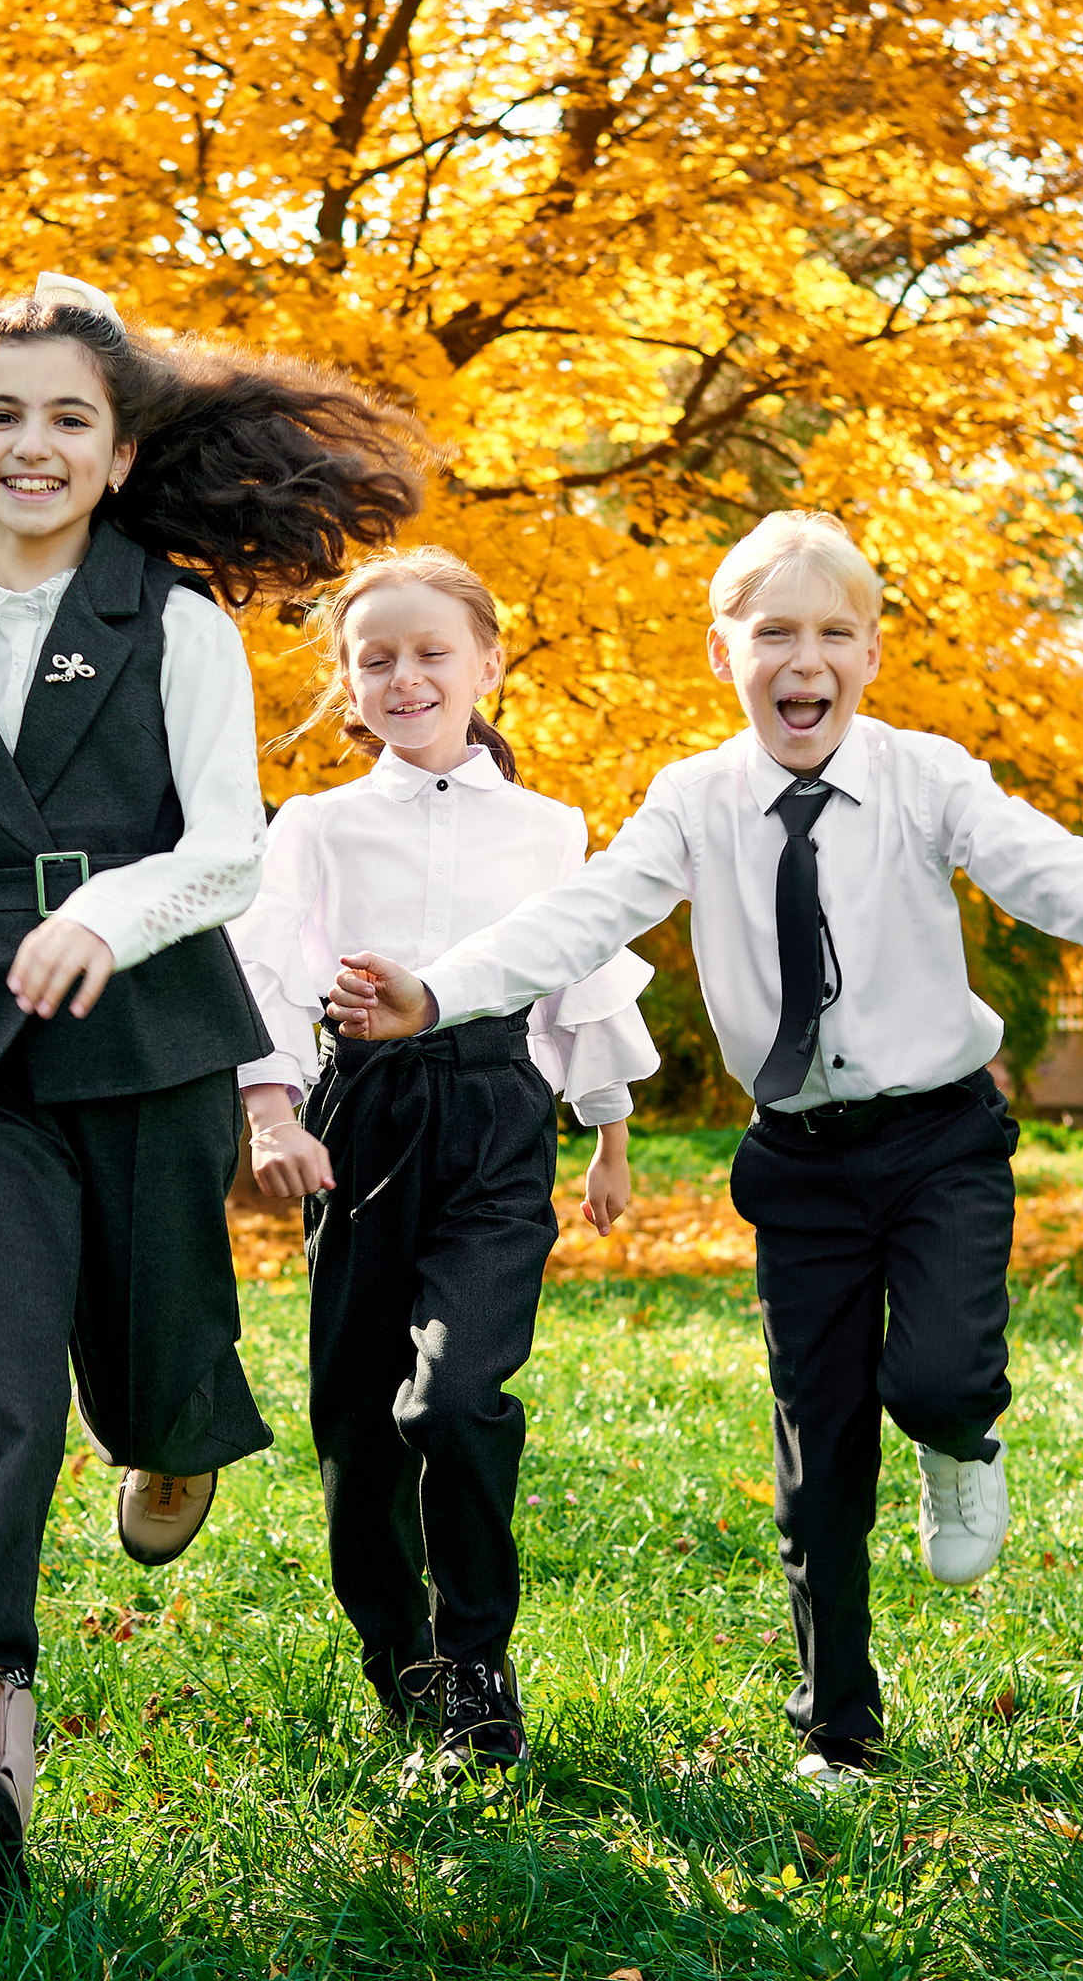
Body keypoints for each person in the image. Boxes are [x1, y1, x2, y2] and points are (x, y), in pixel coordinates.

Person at [328, 510, 1083, 1787]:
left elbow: (1077, 883)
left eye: (833, 632)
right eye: (774, 632)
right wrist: (437, 995)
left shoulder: (923, 776)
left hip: (939, 1138)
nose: (804, 658)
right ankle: (838, 1722)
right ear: (723, 649)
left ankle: (961, 1438)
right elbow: (573, 919)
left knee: (937, 1379)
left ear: (871, 654)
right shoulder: (693, 798)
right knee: (815, 1447)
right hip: (798, 1161)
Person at [0, 273, 425, 1909]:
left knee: (161, 1380)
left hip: (156, 1029)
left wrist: (102, 913)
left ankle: (173, 1443)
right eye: (1, 412)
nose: (31, 444)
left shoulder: (176, 624)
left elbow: (229, 847)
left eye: (69, 420)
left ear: (118, 458)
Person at [232, 548, 657, 1772]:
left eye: (432, 653)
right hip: (359, 1121)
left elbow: (578, 972)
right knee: (362, 1423)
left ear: (488, 664)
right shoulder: (314, 825)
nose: (406, 676)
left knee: (453, 1397)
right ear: (349, 686)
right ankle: (400, 1659)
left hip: (493, 1116)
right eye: (378, 660)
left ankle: (476, 1660)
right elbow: (262, 970)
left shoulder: (549, 827)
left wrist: (608, 1126)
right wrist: (274, 1113)